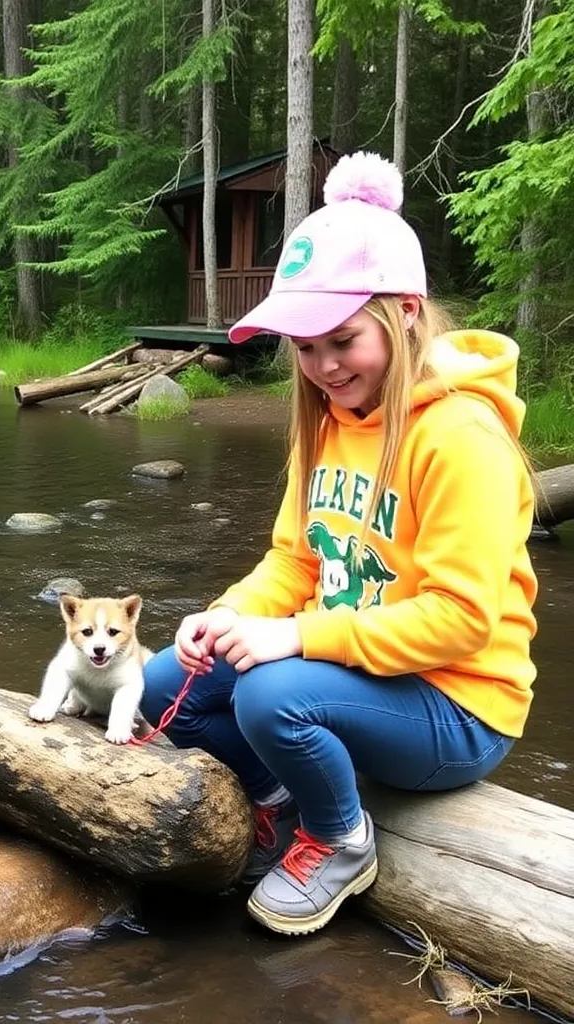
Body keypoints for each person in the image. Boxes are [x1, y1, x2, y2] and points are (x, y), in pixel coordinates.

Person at [141, 150, 538, 937]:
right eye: (304, 346)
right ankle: (282, 796)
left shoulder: (461, 437)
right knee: (162, 686)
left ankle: (342, 839)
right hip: (354, 667)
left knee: (268, 694)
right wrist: (225, 616)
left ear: (407, 315)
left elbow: (461, 620)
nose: (323, 367)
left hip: (460, 705)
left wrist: (295, 637)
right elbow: (295, 560)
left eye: (344, 340)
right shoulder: (326, 425)